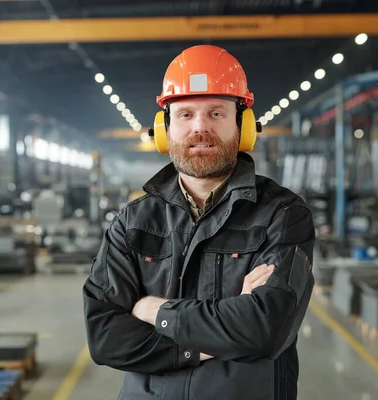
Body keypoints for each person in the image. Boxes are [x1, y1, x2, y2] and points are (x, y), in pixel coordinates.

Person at [83, 44, 316, 400]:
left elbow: (267, 329)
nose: (200, 128)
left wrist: (153, 309)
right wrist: (215, 338)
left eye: (217, 114)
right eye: (186, 115)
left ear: (244, 126)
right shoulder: (133, 223)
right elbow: (105, 338)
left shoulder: (282, 215)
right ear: (165, 129)